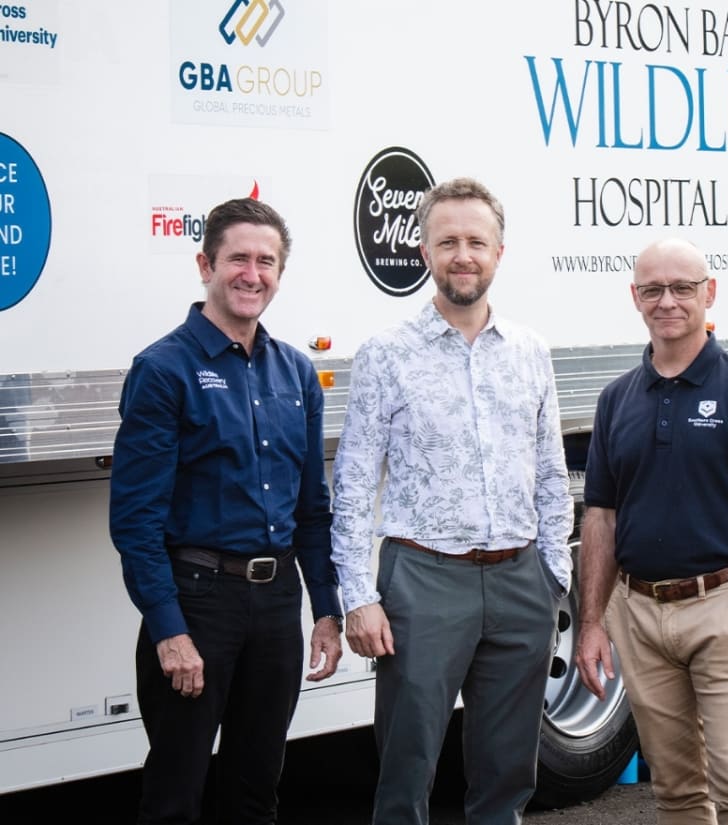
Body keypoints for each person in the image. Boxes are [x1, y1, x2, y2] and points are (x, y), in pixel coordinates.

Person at [331, 177, 573, 825]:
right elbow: (352, 485)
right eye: (447, 242)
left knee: (507, 774)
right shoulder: (386, 356)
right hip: (422, 582)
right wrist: (358, 595)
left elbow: (552, 474)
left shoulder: (530, 353)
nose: (462, 254)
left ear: (499, 251)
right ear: (423, 251)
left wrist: (554, 578)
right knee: (406, 771)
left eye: (476, 241)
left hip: (522, 582)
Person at [109, 197, 344, 824]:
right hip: (197, 602)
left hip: (274, 607)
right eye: (238, 258)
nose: (252, 273)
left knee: (255, 792)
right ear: (204, 264)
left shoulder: (296, 372)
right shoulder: (163, 370)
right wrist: (169, 630)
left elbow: (311, 509)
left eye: (266, 261)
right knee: (175, 796)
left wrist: (325, 609)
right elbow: (134, 522)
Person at [575, 238, 728, 825]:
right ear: (635, 297)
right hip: (641, 616)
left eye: (683, 287)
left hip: (724, 610)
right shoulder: (616, 400)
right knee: (675, 793)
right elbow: (600, 515)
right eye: (653, 289)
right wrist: (593, 621)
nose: (668, 301)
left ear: (710, 292)